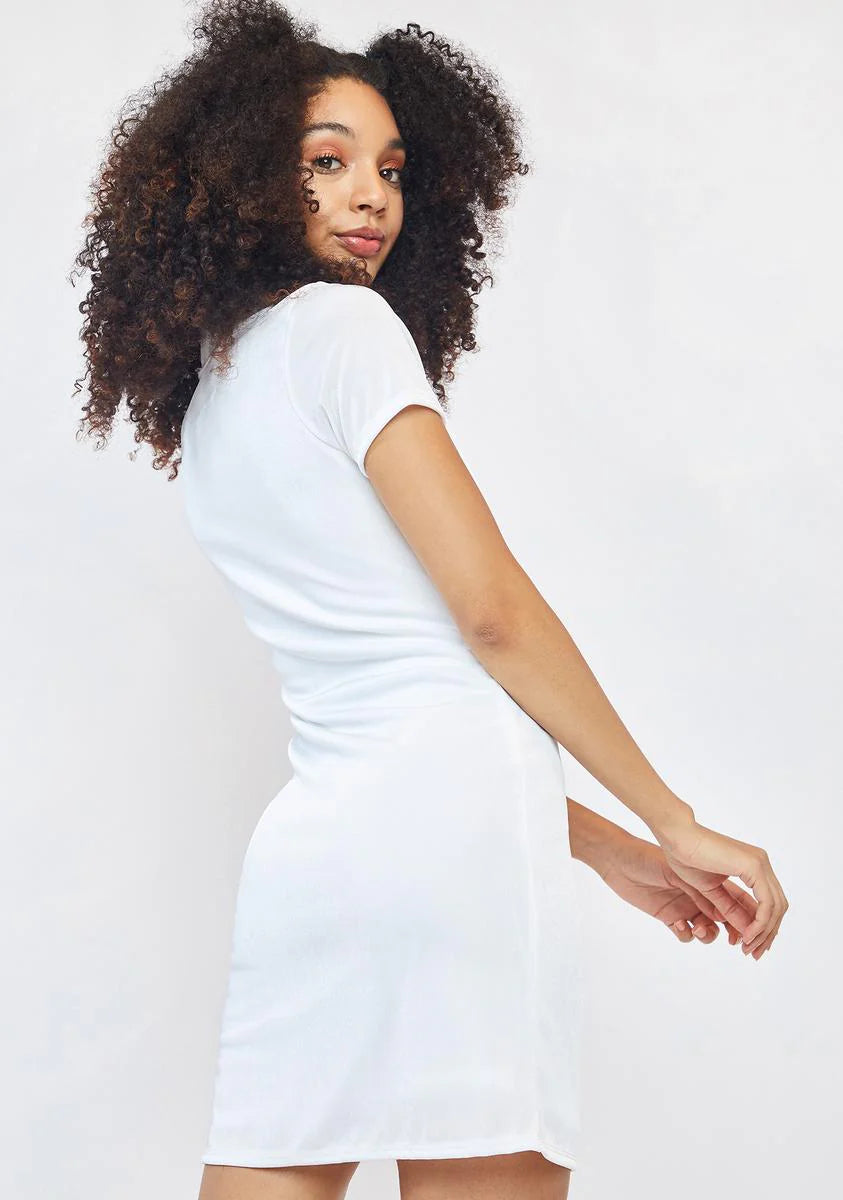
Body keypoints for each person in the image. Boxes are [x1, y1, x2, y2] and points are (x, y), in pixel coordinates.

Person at [71, 3, 788, 1198]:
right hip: (454, 851)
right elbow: (488, 618)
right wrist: (672, 819)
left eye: (392, 169)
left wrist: (606, 852)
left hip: (316, 854)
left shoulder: (216, 394)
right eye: (327, 161)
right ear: (245, 176)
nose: (370, 196)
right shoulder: (347, 331)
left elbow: (392, 697)